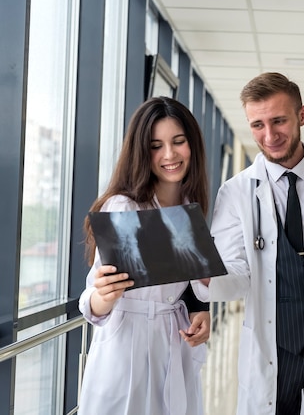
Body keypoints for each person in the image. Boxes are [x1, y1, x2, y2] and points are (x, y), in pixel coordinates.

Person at [207, 72, 304, 415]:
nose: (269, 135)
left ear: (302, 116)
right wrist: (204, 276)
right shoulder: (236, 192)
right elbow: (235, 274)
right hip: (273, 351)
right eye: (257, 124)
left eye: (278, 120)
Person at [78, 96, 213, 415]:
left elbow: (190, 288)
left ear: (191, 145)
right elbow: (90, 304)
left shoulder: (191, 208)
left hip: (174, 344)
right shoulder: (124, 207)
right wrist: (105, 296)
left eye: (178, 142)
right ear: (142, 150)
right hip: (127, 350)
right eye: (156, 145)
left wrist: (201, 313)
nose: (170, 155)